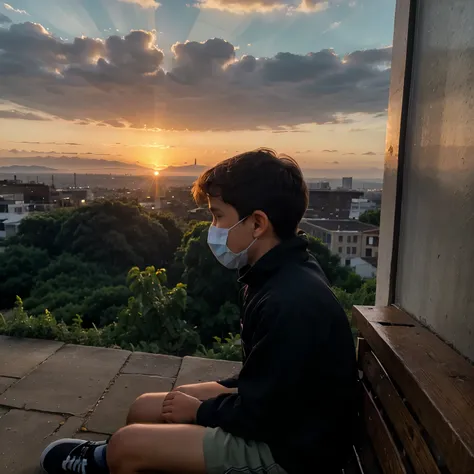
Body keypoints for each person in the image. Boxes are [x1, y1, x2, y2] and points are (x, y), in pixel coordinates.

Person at [40, 148, 359, 474]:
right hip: (285, 414)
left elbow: (265, 416)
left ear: (258, 223)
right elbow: (273, 376)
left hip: (292, 452)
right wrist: (211, 397)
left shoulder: (291, 301)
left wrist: (200, 411)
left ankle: (115, 457)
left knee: (128, 444)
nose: (213, 228)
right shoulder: (279, 271)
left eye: (218, 216)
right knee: (147, 406)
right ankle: (124, 457)